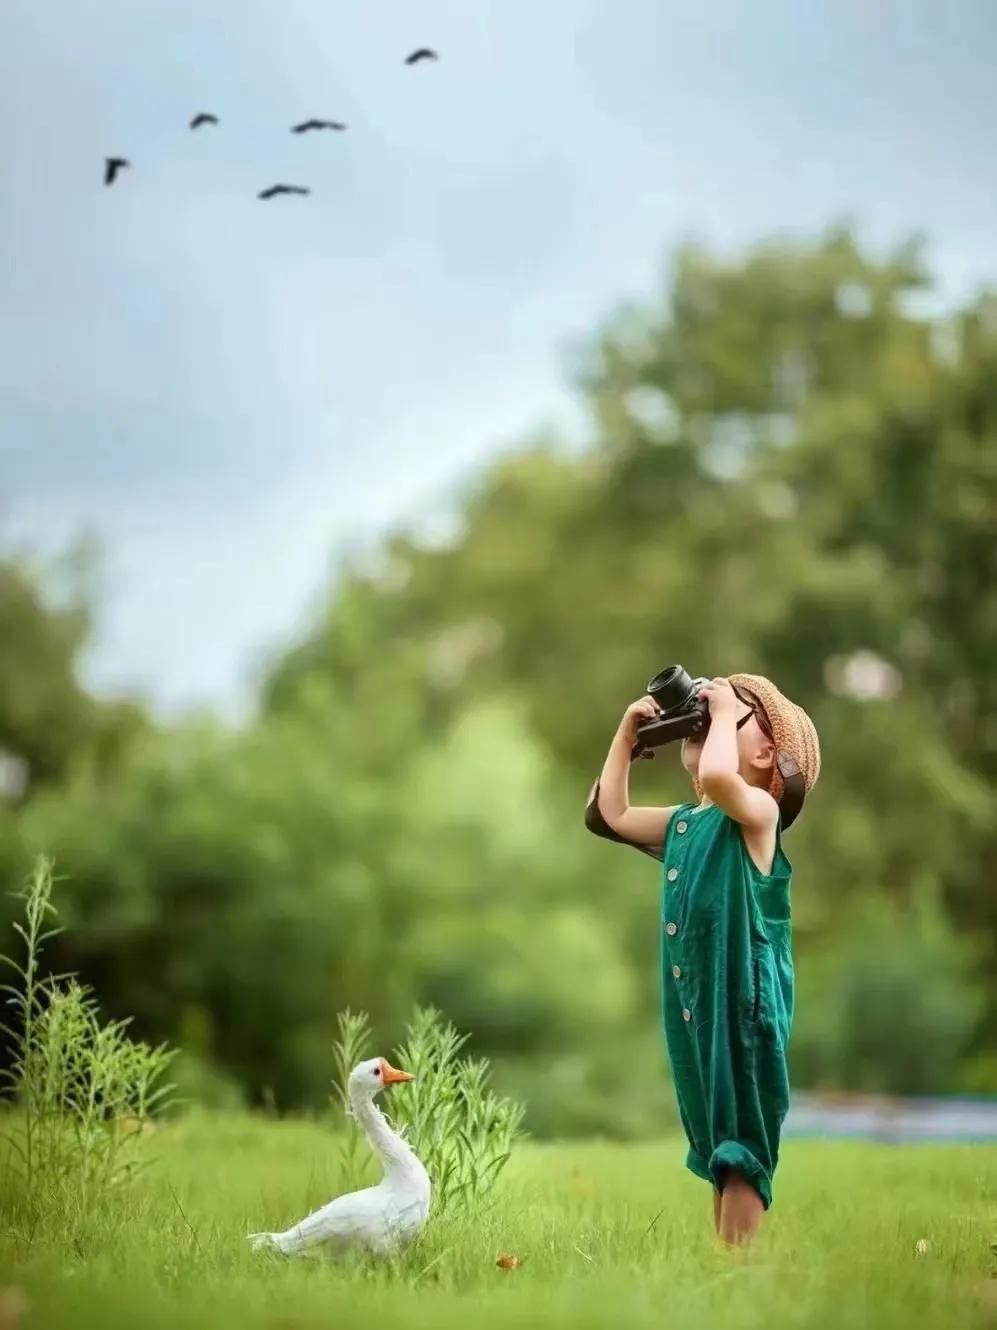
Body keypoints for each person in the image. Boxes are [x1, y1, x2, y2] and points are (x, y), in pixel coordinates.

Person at [586, 674, 820, 1245]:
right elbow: (610, 813)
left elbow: (718, 775)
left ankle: (737, 1275)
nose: (708, 714)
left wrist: (716, 715)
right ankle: (724, 1269)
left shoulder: (758, 816)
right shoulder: (685, 825)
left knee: (741, 1143)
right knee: (717, 1142)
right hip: (697, 1008)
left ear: (767, 754)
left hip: (742, 1004)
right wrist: (627, 737)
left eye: (729, 714)